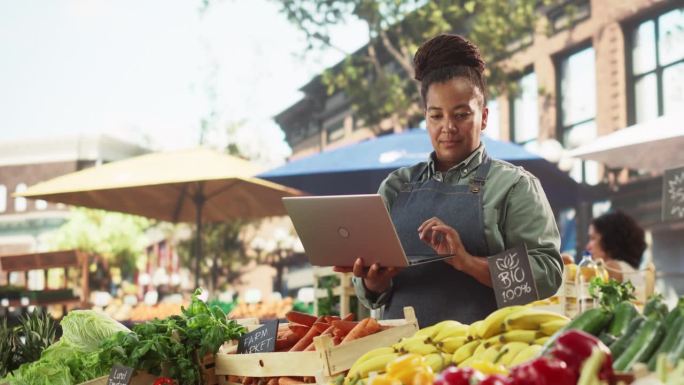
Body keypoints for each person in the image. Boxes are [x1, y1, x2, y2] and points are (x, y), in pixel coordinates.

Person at [334, 34, 563, 326]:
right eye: (436, 116)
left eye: (461, 114)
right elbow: (371, 295)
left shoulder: (513, 186)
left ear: (484, 117)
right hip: (401, 359)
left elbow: (548, 272)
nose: (448, 128)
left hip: (483, 356)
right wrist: (373, 284)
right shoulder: (394, 187)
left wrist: (468, 262)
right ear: (425, 118)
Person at [586, 210, 647, 282]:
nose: (588, 247)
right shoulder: (631, 272)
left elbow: (580, 282)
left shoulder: (611, 268)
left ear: (609, 239)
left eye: (593, 238)